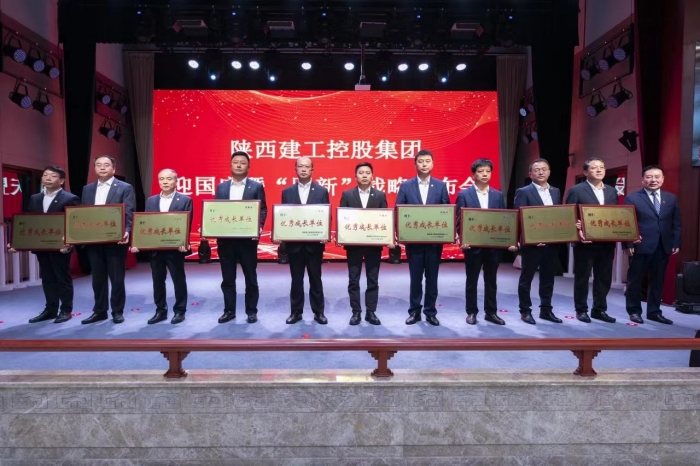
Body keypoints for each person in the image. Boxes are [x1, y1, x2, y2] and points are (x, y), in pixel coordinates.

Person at [8, 166, 80, 324]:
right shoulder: (35, 198)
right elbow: (28, 222)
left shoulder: (70, 198)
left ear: (61, 180)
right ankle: (50, 309)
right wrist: (17, 242)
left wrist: (69, 241)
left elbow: (75, 223)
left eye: (52, 176)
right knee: (47, 278)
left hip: (61, 247)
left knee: (62, 278)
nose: (47, 178)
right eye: (45, 175)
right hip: (42, 246)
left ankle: (66, 310)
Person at [455, 158, 515, 325]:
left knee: (491, 280)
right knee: (472, 280)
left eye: (488, 171)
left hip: (492, 246)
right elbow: (459, 221)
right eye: (480, 171)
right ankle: (471, 312)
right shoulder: (464, 195)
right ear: (473, 175)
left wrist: (508, 240)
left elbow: (503, 219)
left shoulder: (497, 195)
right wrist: (463, 239)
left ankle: (491, 312)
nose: (484, 174)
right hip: (472, 245)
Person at [131, 169, 193, 325]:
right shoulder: (151, 200)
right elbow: (146, 224)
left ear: (176, 181)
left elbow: (187, 223)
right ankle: (160, 311)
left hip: (175, 248)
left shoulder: (185, 200)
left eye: (169, 179)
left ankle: (180, 311)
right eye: (162, 179)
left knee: (178, 280)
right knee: (157, 281)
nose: (165, 182)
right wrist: (139, 242)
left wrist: (184, 242)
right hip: (156, 248)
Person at [395, 149, 450, 326]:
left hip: (434, 242)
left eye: (427, 161)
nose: (424, 164)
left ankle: (430, 312)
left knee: (432, 279)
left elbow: (446, 212)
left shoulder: (441, 186)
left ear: (432, 164)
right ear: (415, 164)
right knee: (416, 278)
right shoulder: (406, 186)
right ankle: (414, 311)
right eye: (421, 161)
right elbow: (398, 210)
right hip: (414, 242)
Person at [79, 155, 135, 324]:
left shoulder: (125, 187)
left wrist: (127, 231)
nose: (102, 167)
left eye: (106, 165)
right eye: (98, 165)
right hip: (94, 240)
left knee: (117, 278)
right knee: (97, 278)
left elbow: (129, 211)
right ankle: (100, 311)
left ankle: (117, 311)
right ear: (94, 168)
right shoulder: (87, 189)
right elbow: (84, 214)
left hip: (115, 240)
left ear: (114, 169)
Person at [623, 165, 681, 325]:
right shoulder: (632, 198)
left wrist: (676, 241)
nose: (653, 180)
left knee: (658, 280)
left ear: (662, 179)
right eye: (649, 177)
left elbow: (676, 222)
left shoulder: (671, 198)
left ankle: (654, 312)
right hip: (640, 245)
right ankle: (634, 311)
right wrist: (628, 243)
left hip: (663, 245)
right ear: (643, 180)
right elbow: (626, 223)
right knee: (635, 280)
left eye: (657, 177)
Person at [215, 151, 267, 324]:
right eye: (235, 162)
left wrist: (259, 226)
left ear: (248, 167)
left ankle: (251, 311)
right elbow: (216, 210)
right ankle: (229, 311)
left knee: (250, 278)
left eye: (242, 163)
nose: (239, 165)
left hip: (247, 241)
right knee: (227, 278)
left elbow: (263, 209)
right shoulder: (222, 187)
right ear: (230, 166)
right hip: (226, 240)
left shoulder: (256, 187)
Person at [564, 157, 618, 324]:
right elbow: (568, 214)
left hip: (606, 242)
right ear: (586, 172)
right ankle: (581, 310)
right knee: (582, 277)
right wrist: (577, 229)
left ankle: (599, 309)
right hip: (585, 243)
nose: (599, 170)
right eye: (594, 168)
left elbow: (615, 215)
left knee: (604, 278)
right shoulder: (576, 190)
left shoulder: (611, 191)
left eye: (602, 167)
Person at [280, 156, 330, 325]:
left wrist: (325, 234)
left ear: (312, 170)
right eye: (300, 166)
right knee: (296, 279)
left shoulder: (322, 191)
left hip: (314, 245)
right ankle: (296, 312)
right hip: (294, 245)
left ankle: (319, 312)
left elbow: (326, 216)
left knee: (316, 279)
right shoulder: (287, 192)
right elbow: (283, 217)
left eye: (307, 167)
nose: (303, 169)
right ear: (295, 169)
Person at [339, 162, 389, 326]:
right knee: (353, 279)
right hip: (353, 245)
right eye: (361, 173)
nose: (364, 175)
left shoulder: (380, 195)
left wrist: (387, 238)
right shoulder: (347, 194)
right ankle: (356, 312)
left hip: (373, 245)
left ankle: (371, 312)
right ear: (355, 176)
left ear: (372, 176)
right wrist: (341, 236)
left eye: (367, 172)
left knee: (373, 279)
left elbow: (385, 220)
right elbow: (342, 219)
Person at [513, 158, 562, 325]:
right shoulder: (523, 191)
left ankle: (546, 310)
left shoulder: (555, 191)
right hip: (532, 245)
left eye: (544, 169)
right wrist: (529, 239)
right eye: (537, 170)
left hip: (551, 243)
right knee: (526, 278)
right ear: (530, 174)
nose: (541, 172)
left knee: (548, 278)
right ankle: (525, 311)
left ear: (549, 172)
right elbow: (519, 217)